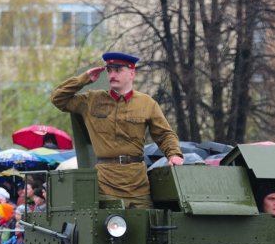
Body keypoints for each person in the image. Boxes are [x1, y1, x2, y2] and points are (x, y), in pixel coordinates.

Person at [51, 52, 184, 208]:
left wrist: (174, 154)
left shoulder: (146, 103)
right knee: (108, 229)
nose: (112, 75)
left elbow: (164, 134)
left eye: (118, 70)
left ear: (132, 73)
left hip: (138, 187)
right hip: (105, 185)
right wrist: (83, 79)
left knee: (144, 228)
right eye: (109, 70)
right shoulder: (92, 100)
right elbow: (58, 99)